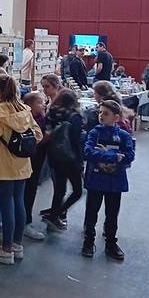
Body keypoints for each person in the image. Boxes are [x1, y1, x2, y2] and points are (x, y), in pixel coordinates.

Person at [0, 74, 43, 265]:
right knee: (19, 202)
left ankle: (6, 250)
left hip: (4, 164)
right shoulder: (24, 109)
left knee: (6, 205)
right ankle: (17, 245)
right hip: (23, 163)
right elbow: (38, 134)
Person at [82, 100, 135, 260]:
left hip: (115, 182)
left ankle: (111, 243)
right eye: (100, 112)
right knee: (91, 212)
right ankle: (88, 241)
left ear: (116, 117)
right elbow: (88, 152)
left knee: (112, 214)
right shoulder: (94, 133)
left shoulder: (124, 135)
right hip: (96, 180)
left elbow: (129, 155)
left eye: (106, 113)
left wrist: (109, 155)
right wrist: (113, 156)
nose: (101, 116)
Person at [42, 89, 85, 232]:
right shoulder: (75, 117)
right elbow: (77, 142)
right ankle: (57, 213)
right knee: (77, 191)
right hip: (70, 158)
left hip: (54, 156)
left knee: (59, 189)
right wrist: (80, 162)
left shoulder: (52, 113)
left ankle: (54, 215)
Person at [21, 92, 47, 241]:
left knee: (30, 190)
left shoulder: (42, 118)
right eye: (39, 102)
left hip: (37, 162)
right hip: (29, 162)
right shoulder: (28, 120)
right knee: (27, 191)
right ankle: (25, 222)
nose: (43, 105)